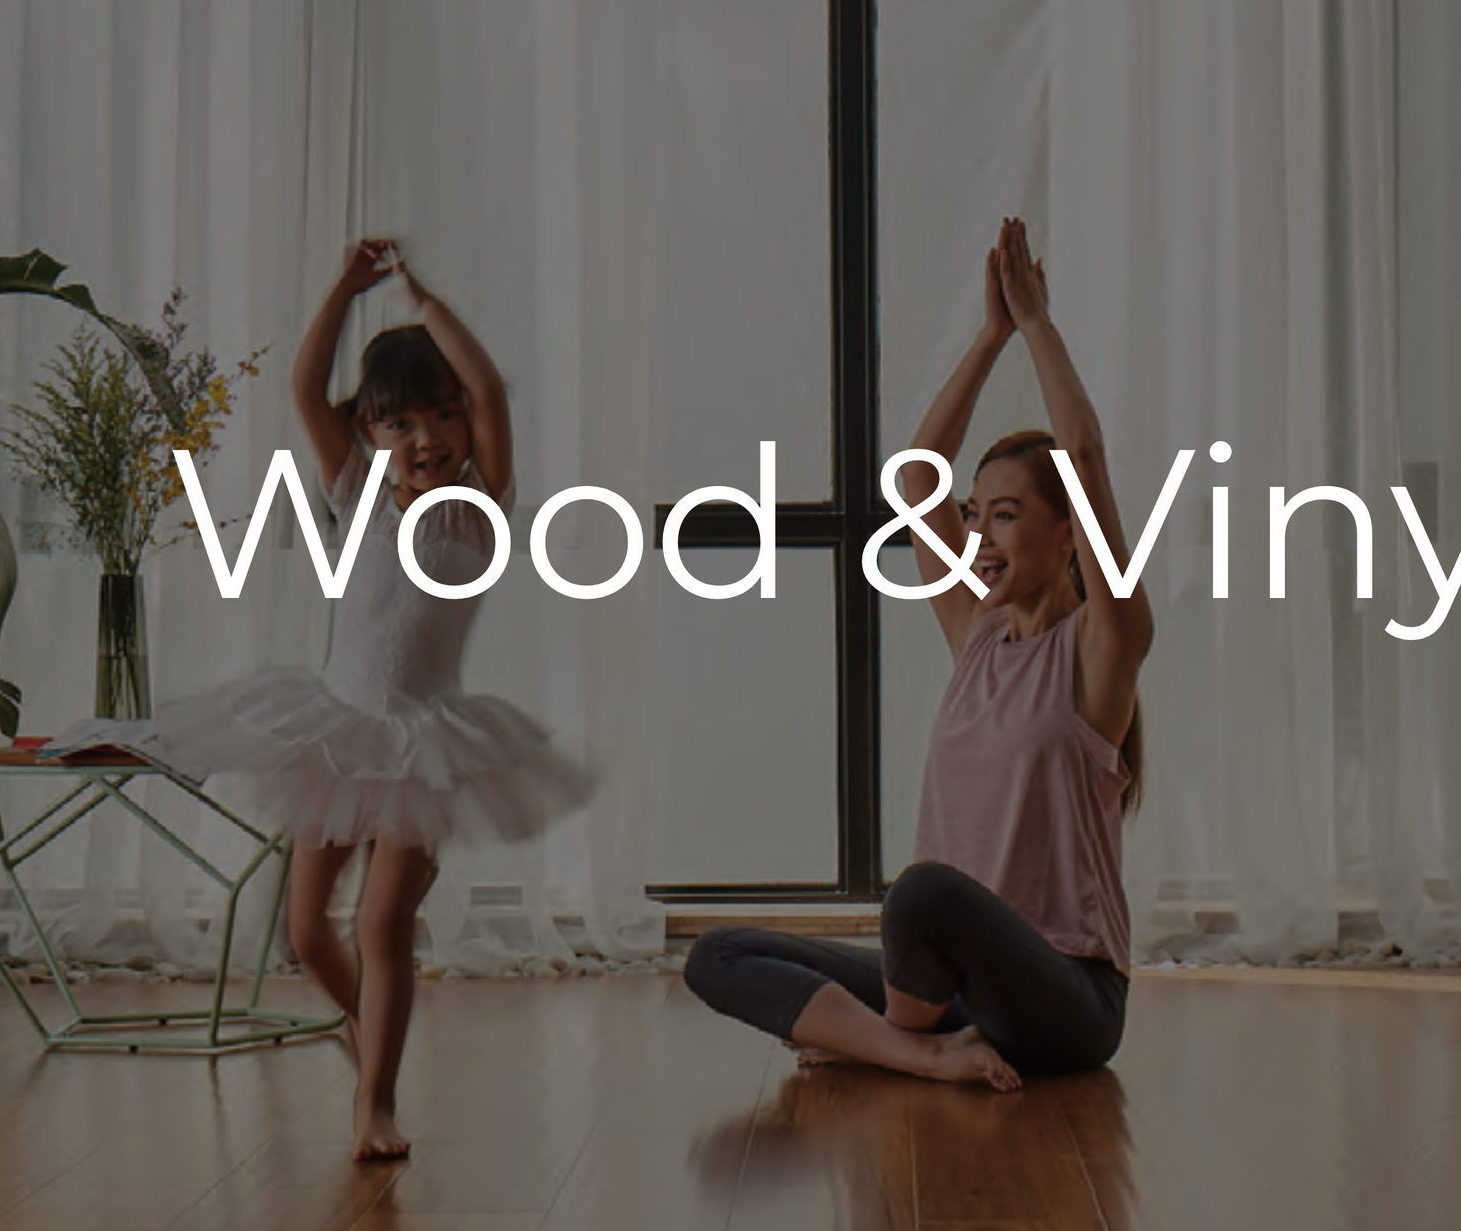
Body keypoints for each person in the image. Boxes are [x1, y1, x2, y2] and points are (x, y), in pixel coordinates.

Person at [148, 238, 589, 1158]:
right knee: (309, 933)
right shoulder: (354, 491)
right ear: (370, 433)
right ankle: (379, 1032)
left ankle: (374, 1102)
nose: (424, 438)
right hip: (335, 733)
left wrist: (425, 297)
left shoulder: (480, 507)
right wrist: (344, 290)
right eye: (398, 424)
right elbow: (306, 390)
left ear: (466, 422)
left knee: (384, 921)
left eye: (441, 416)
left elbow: (497, 392)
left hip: (423, 744)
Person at [685, 218, 1150, 1090]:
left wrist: (1038, 325)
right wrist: (989, 337)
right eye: (974, 515)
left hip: (1069, 1000)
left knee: (923, 892)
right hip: (958, 993)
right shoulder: (974, 635)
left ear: (1068, 536)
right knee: (718, 954)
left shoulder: (1102, 649)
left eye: (1005, 514)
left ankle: (892, 1046)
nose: (976, 533)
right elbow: (914, 475)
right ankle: (918, 1050)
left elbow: (1084, 457)